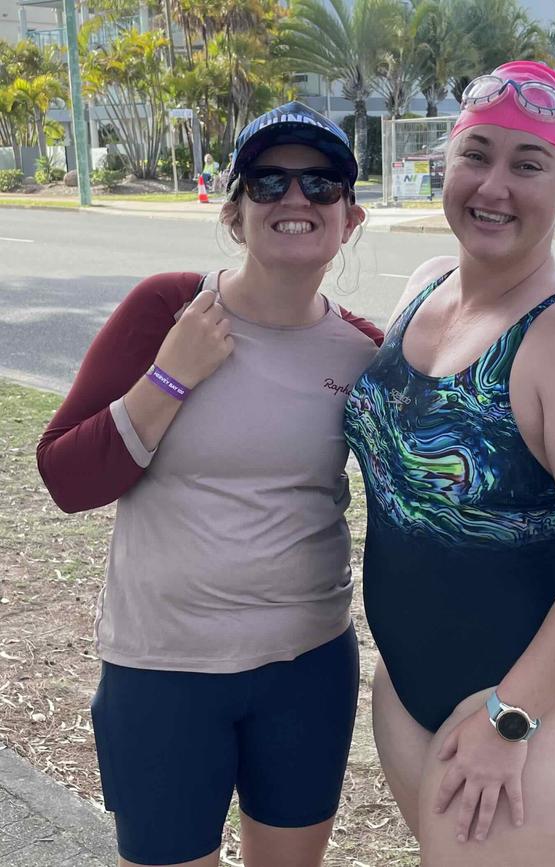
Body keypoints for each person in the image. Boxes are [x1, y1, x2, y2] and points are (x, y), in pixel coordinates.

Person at [37, 101, 382, 867]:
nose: (296, 200)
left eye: (322, 185)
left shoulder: (364, 354)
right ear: (234, 214)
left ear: (350, 219)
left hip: (307, 666)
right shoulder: (170, 307)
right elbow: (64, 475)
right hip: (163, 669)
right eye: (268, 182)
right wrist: (171, 375)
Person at [344, 60, 555, 866]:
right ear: (447, 160)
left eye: (528, 163)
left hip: (528, 705)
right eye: (477, 154)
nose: (495, 185)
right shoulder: (425, 284)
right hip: (408, 686)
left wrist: (511, 716)